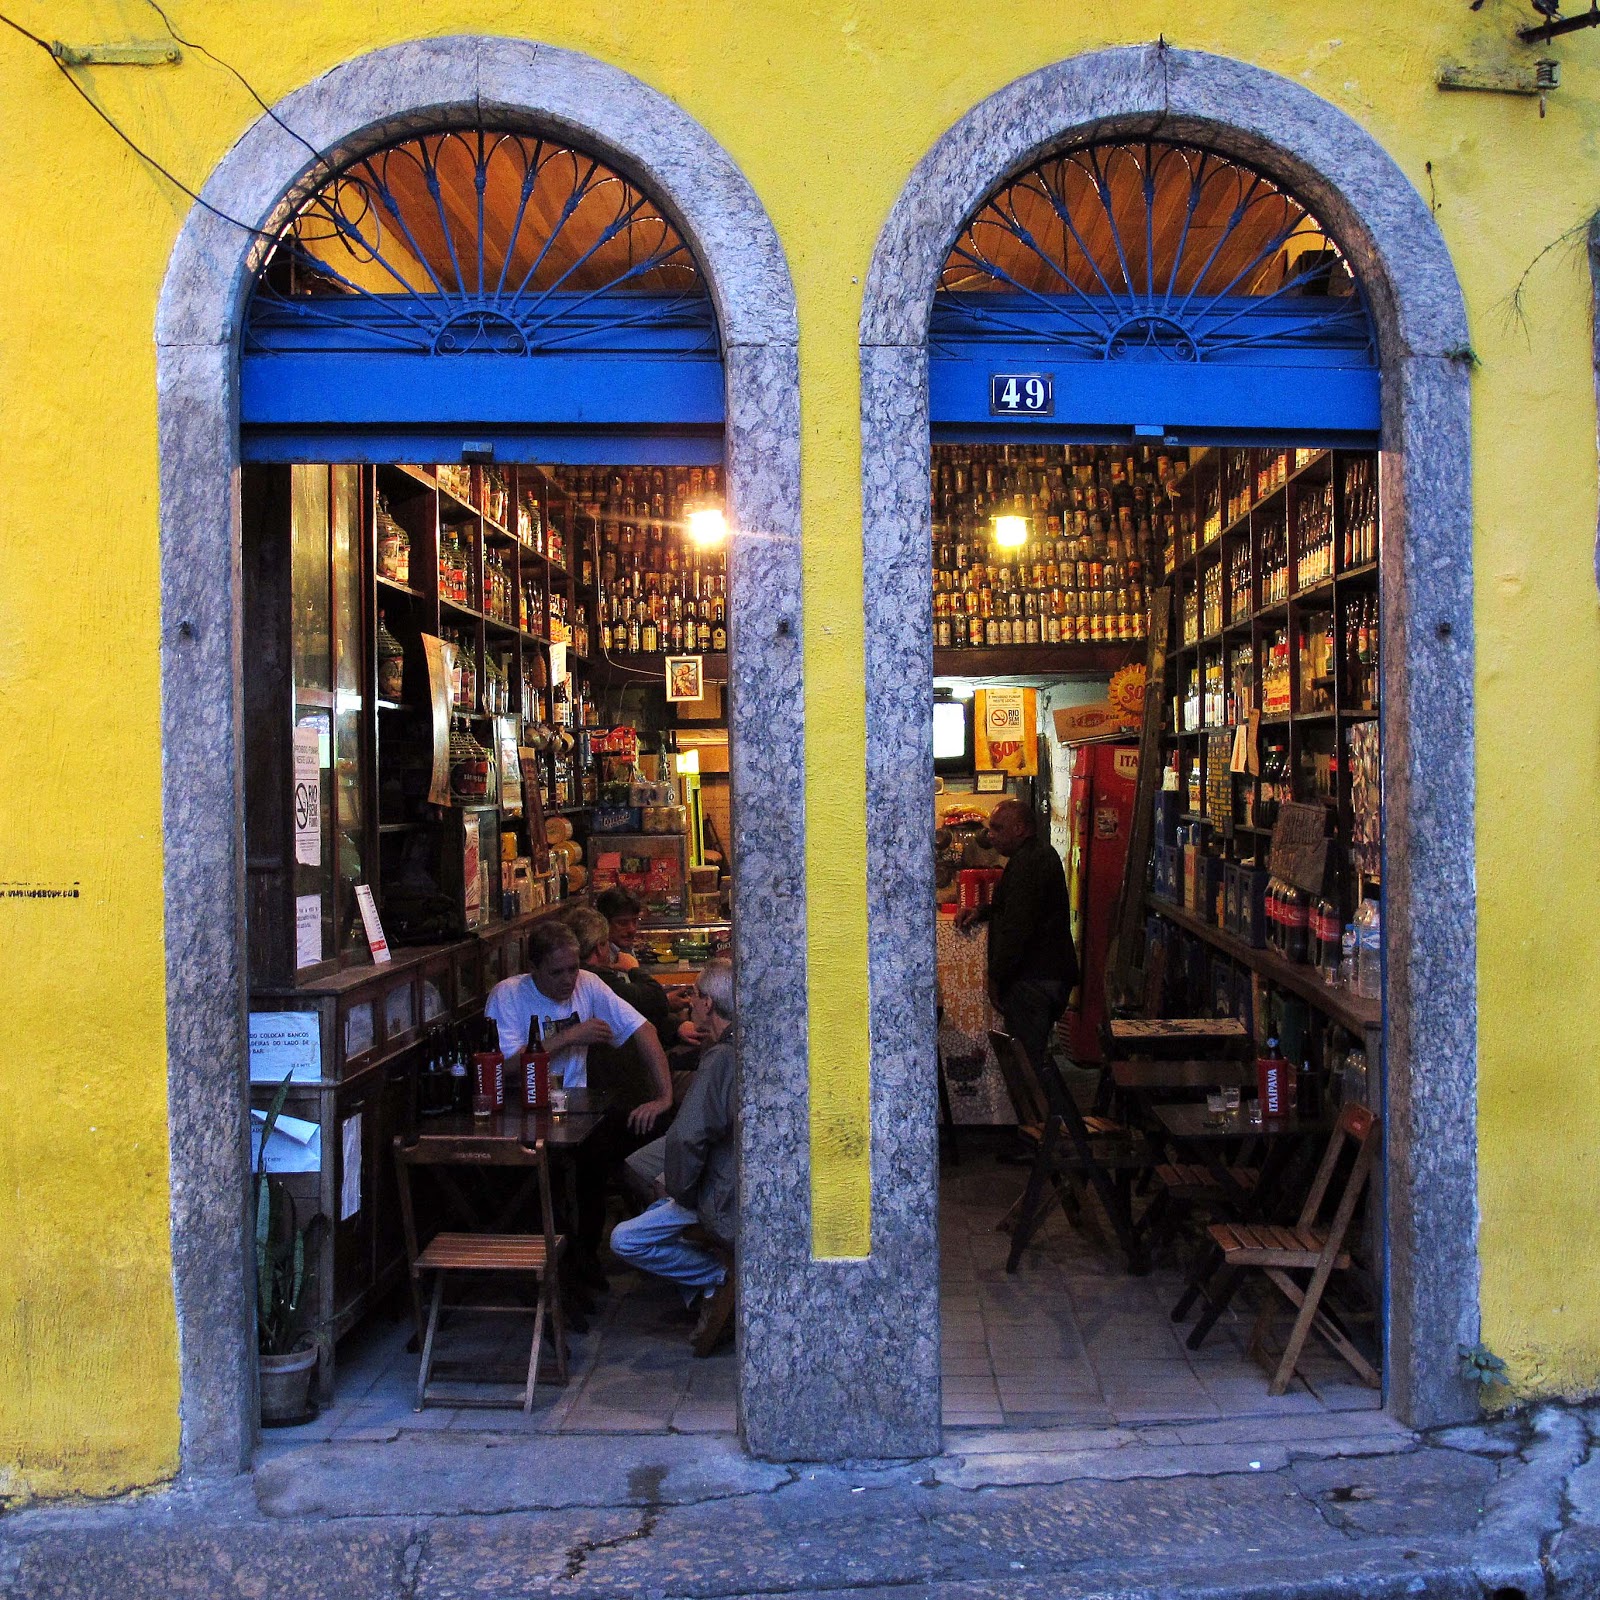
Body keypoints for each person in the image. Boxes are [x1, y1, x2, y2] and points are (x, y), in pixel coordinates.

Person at [609, 958, 737, 1337]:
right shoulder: (731, 1048)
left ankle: (717, 1279)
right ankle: (705, 1293)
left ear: (708, 1003)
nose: (691, 1005)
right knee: (647, 1184)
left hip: (723, 1193)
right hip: (724, 1176)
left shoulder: (720, 1059)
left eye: (696, 998)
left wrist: (680, 1189)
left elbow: (688, 1137)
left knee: (626, 1238)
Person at [484, 919, 672, 1136]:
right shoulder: (508, 994)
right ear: (533, 968)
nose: (568, 980)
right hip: (521, 1110)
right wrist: (570, 1036)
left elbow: (644, 1029)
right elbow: (502, 1067)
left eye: (573, 969)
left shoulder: (588, 982)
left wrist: (664, 1098)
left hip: (576, 1106)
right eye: (556, 972)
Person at [953, 798, 1078, 1075]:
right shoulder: (1033, 857)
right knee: (1031, 1058)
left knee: (1026, 1066)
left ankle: (1041, 1116)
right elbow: (1014, 909)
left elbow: (1018, 928)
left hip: (1035, 979)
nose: (991, 836)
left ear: (1020, 829)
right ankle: (1043, 1113)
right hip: (1045, 976)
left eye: (997, 828)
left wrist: (996, 977)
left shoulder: (1029, 863)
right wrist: (981, 912)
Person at [594, 886, 701, 1049]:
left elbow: (636, 1002)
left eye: (635, 921)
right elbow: (625, 1008)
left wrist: (665, 1003)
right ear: (603, 923)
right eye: (622, 923)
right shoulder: (603, 960)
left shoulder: (624, 950)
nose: (631, 929)